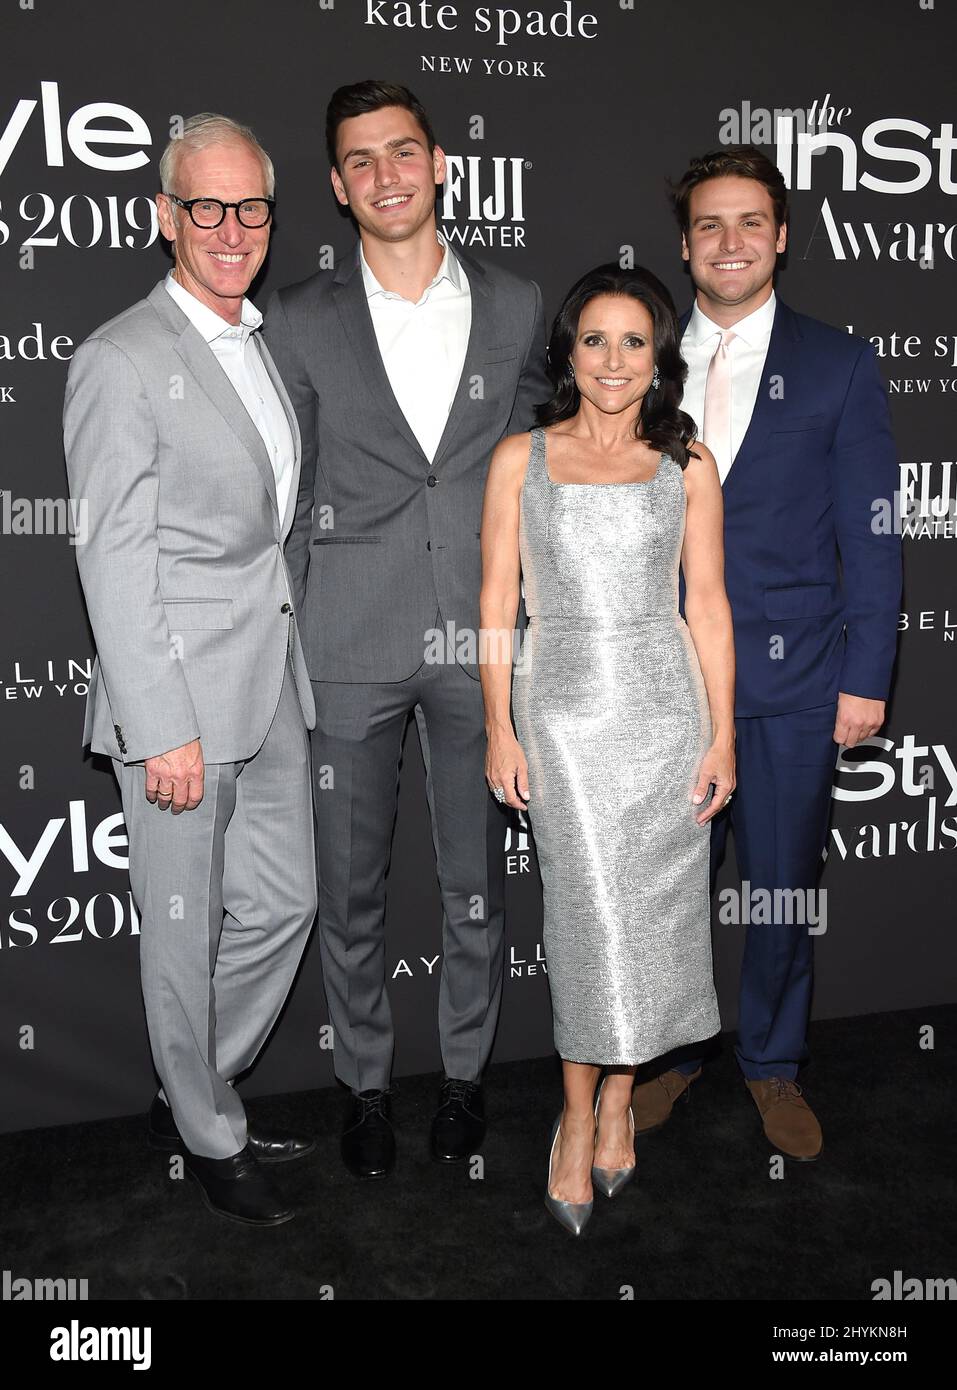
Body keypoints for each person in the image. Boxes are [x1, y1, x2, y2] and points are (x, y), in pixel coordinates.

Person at [263, 81, 549, 1178]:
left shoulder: (518, 302)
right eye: (360, 161)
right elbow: (285, 497)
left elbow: (541, 462)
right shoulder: (295, 316)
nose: (386, 175)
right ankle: (366, 1087)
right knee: (352, 883)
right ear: (338, 188)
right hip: (345, 638)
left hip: (483, 638)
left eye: (403, 152)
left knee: (478, 873)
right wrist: (286, 654)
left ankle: (467, 1075)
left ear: (440, 165)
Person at [63, 114, 318, 1226]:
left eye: (249, 208)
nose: (229, 229)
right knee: (181, 927)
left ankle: (192, 1082)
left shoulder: (259, 343)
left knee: (285, 905)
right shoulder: (120, 358)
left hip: (271, 680)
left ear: (270, 217)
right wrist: (160, 721)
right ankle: (211, 1133)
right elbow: (111, 552)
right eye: (204, 207)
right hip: (177, 701)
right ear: (165, 216)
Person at [631, 146, 902, 1160]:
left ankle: (774, 1063)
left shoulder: (838, 363)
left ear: (781, 237)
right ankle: (668, 1053)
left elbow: (871, 533)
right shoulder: (638, 360)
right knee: (665, 885)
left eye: (750, 223)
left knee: (782, 879)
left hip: (793, 684)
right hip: (664, 685)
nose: (730, 243)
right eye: (709, 226)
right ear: (686, 244)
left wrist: (865, 677)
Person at [479, 264, 735, 1235]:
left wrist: (724, 735)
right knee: (590, 927)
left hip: (666, 713)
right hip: (567, 718)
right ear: (568, 350)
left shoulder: (689, 464)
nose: (614, 360)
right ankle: (576, 1116)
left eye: (635, 341)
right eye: (595, 339)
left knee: (659, 924)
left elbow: (707, 607)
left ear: (659, 356)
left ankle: (624, 1096)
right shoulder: (522, 459)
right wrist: (501, 722)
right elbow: (496, 605)